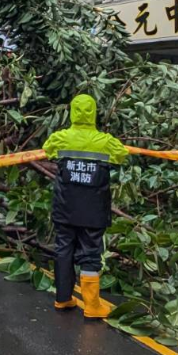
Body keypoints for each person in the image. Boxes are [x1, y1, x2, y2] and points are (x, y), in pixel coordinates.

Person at [42, 94, 127, 319]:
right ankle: (92, 306)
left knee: (63, 249)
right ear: (93, 113)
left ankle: (62, 299)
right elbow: (121, 155)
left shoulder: (60, 138)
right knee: (91, 253)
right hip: (93, 209)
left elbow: (48, 150)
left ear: (72, 112)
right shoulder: (105, 141)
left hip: (65, 206)